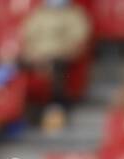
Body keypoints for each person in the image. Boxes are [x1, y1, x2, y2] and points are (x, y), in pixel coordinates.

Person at [18, 0, 92, 132]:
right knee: (14, 66)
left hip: (61, 57)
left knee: (56, 69)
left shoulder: (74, 14)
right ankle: (19, 116)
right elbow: (26, 36)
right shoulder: (39, 13)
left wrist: (57, 54)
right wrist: (34, 56)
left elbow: (78, 39)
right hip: (36, 57)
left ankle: (56, 112)